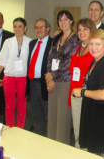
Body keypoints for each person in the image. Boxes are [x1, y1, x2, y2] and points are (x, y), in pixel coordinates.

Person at [72, 29, 104, 157]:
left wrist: (82, 92)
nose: (93, 48)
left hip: (103, 117)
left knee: (101, 152)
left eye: (98, 44)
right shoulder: (97, 61)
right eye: (91, 44)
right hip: (95, 113)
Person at [46, 10, 80, 145]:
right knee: (52, 115)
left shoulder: (76, 39)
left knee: (63, 117)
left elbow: (69, 62)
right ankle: (50, 144)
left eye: (66, 19)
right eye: (60, 20)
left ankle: (60, 147)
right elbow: (50, 57)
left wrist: (52, 76)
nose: (63, 22)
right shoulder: (56, 38)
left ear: (71, 21)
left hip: (66, 81)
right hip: (52, 81)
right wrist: (48, 77)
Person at [0, 18, 31, 128]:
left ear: (25, 28)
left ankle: (20, 128)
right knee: (9, 106)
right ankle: (9, 127)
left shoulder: (30, 42)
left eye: (20, 26)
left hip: (23, 78)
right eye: (15, 26)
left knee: (21, 106)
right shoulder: (8, 42)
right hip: (9, 77)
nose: (17, 29)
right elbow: (2, 60)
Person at [69, 18, 96, 148]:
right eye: (79, 29)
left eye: (85, 29)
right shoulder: (79, 46)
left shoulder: (94, 48)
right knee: (77, 129)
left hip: (85, 93)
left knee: (82, 130)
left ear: (92, 30)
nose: (81, 32)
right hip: (74, 91)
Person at [26, 18, 53, 136]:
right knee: (36, 112)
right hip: (33, 82)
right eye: (36, 27)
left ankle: (49, 137)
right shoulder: (32, 43)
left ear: (48, 29)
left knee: (48, 113)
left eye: (42, 27)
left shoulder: (53, 43)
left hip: (46, 83)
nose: (39, 29)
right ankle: (38, 135)